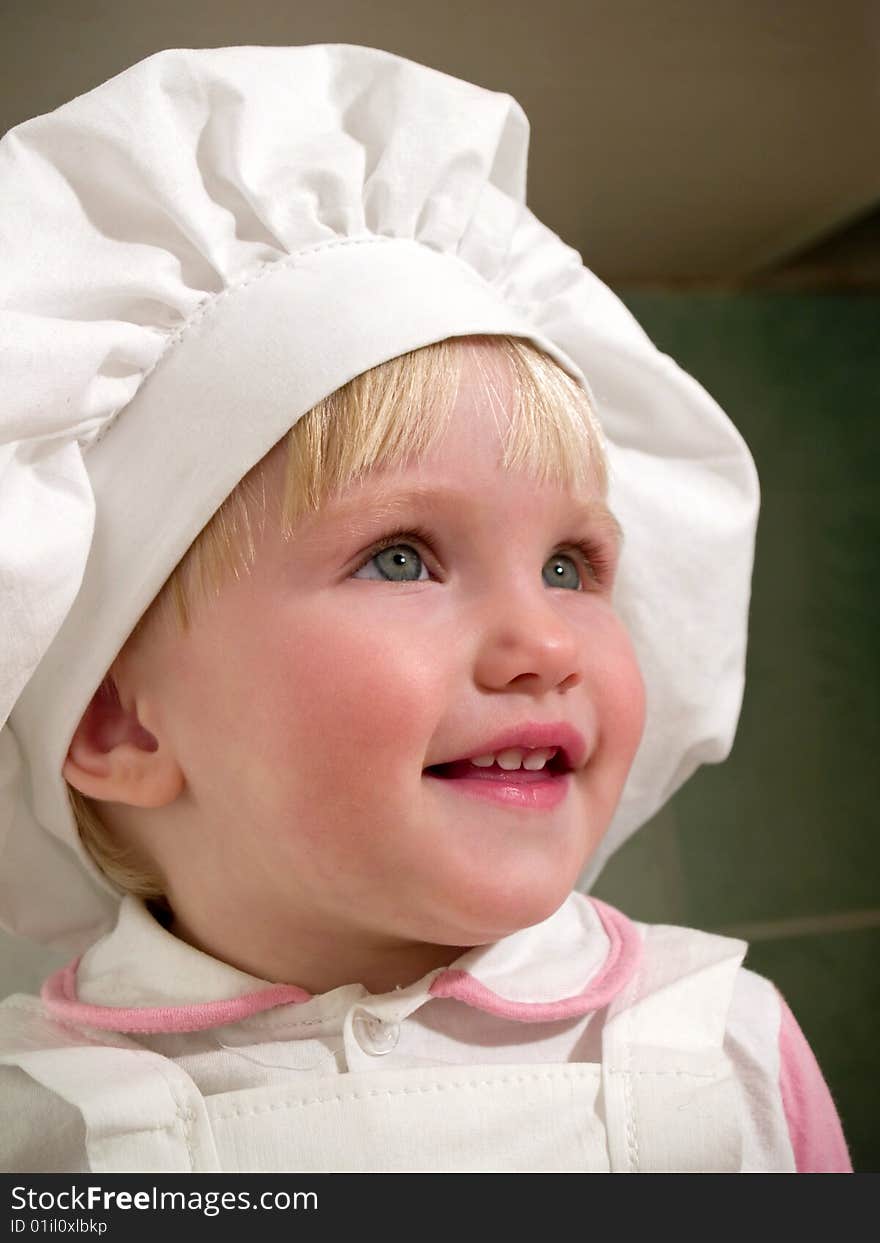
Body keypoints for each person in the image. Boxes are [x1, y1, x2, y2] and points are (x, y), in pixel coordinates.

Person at [0, 44, 851, 1173]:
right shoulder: (42, 1131)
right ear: (120, 722)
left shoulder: (729, 1053)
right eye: (401, 558)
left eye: (570, 565)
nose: (545, 643)